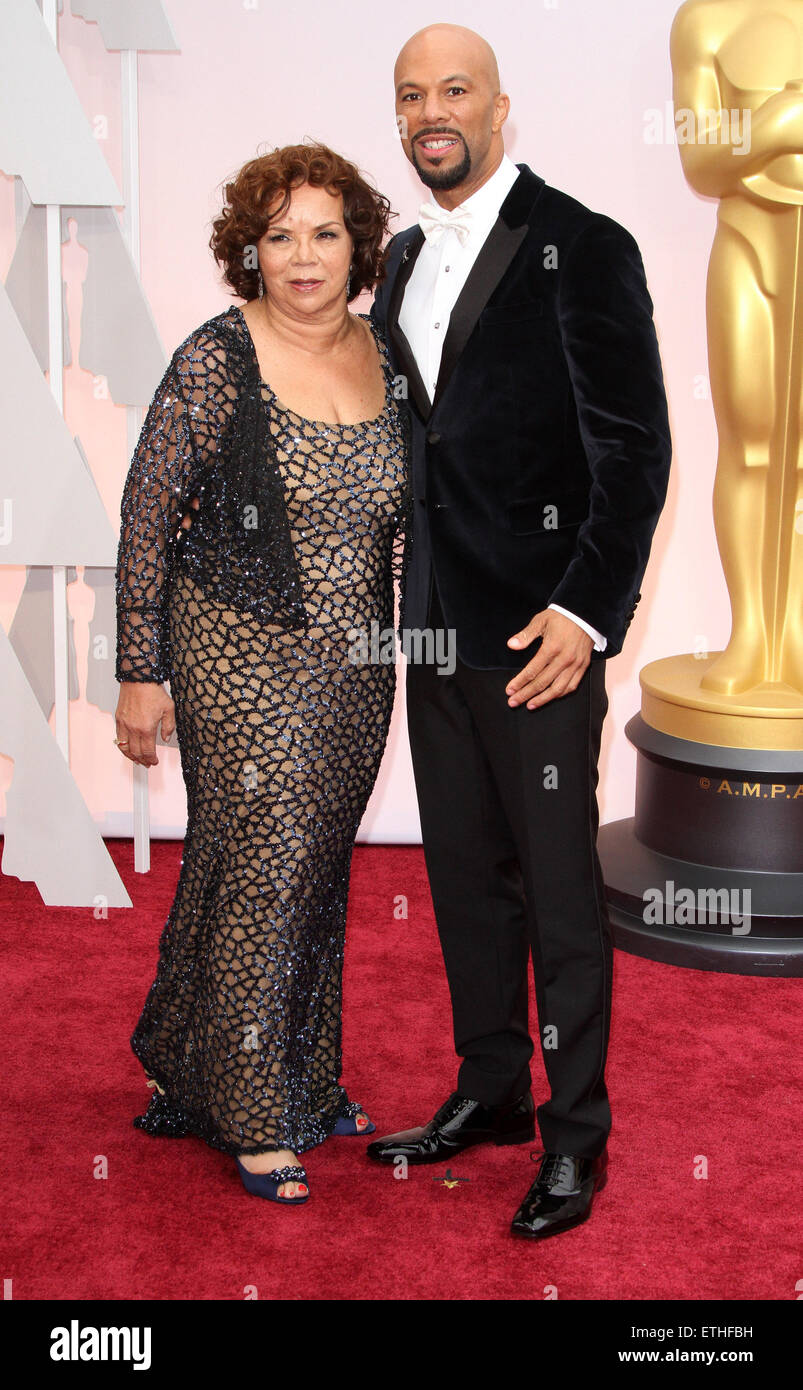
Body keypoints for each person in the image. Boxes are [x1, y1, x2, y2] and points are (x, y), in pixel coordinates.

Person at [365, 24, 672, 1240]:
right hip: (433, 629)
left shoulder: (583, 247)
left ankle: (573, 1136)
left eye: (453, 90)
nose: (429, 111)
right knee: (460, 886)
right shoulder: (393, 257)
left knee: (554, 895)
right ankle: (489, 1091)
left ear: (502, 108)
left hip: (541, 637)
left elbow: (632, 451)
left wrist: (588, 613)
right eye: (409, 95)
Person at [114, 142, 410, 1205]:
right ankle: (251, 1108)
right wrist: (138, 671)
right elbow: (147, 518)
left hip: (354, 661)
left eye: (323, 233)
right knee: (269, 858)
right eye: (277, 235)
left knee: (306, 863)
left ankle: (272, 1068)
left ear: (354, 245)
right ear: (250, 250)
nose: (300, 256)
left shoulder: (388, 355)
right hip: (233, 640)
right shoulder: (214, 358)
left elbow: (408, 525)